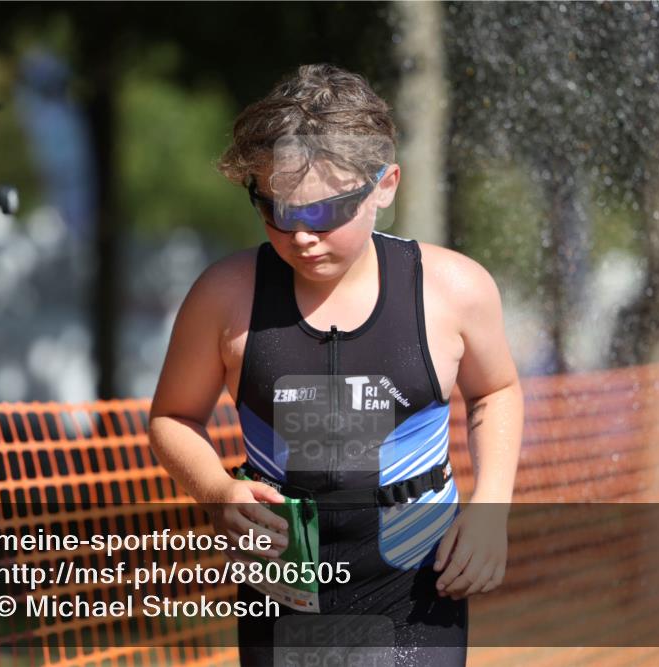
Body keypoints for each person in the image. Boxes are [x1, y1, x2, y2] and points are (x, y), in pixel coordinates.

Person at [149, 63, 523, 666]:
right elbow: (172, 417)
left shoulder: (453, 288)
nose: (301, 237)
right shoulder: (225, 295)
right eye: (276, 211)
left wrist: (491, 509)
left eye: (325, 213)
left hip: (419, 574)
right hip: (286, 570)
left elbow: (496, 391)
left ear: (385, 185)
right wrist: (217, 491)